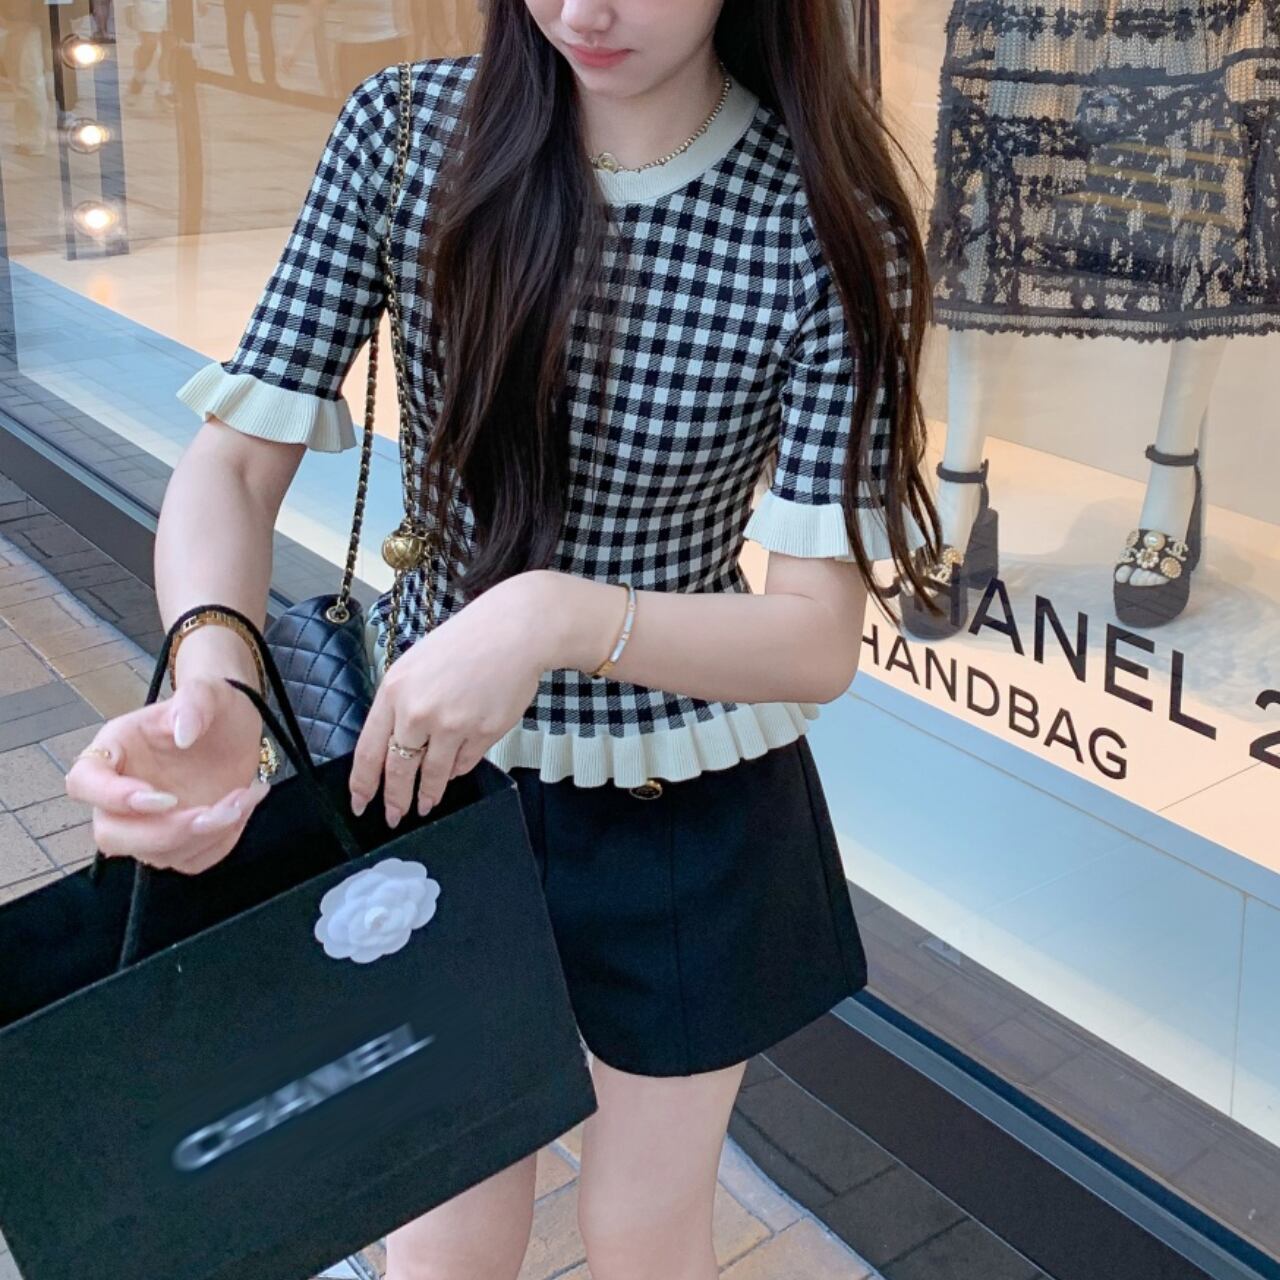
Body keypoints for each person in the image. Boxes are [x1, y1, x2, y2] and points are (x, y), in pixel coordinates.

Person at [65, 2, 944, 1277]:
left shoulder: (824, 221)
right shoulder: (406, 131)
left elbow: (813, 640)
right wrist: (217, 682)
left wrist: (547, 614)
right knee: (441, 1224)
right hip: (428, 777)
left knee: (642, 1226)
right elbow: (236, 467)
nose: (583, 9)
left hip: (682, 802)